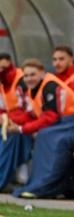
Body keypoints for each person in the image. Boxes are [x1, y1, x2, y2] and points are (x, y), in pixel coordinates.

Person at [11, 58, 74, 198]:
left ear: (42, 73)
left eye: (33, 74)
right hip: (60, 123)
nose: (29, 79)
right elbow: (32, 114)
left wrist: (23, 129)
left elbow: (50, 117)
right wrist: (11, 121)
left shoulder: (50, 85)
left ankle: (45, 185)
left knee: (45, 136)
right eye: (26, 76)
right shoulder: (32, 89)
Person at [0, 53, 33, 191]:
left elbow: (31, 110)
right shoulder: (2, 83)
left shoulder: (22, 79)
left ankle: (4, 178)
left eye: (3, 67)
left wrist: (10, 121)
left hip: (27, 120)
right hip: (11, 121)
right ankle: (18, 171)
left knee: (12, 135)